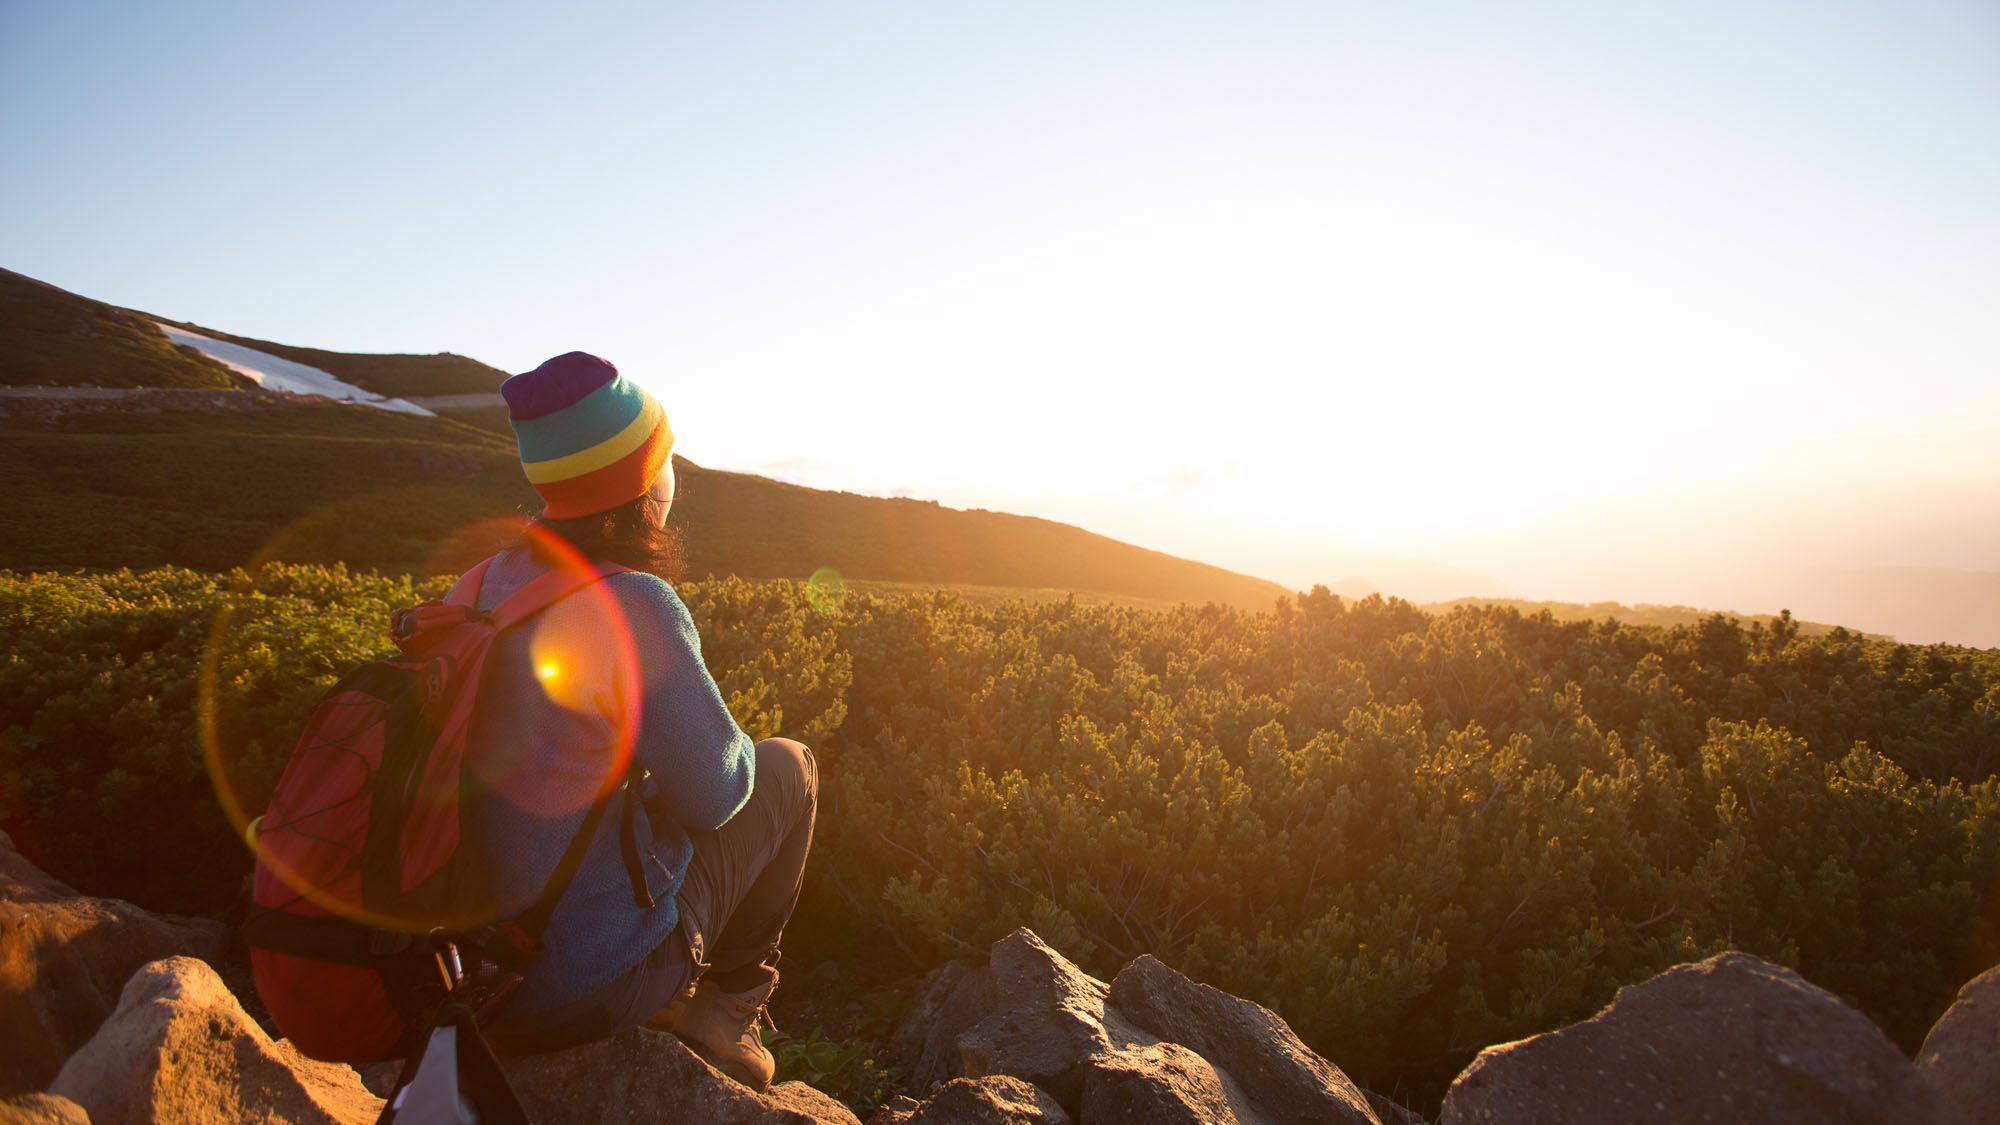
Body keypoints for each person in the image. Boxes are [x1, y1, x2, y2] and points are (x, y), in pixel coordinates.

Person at [457, 351, 816, 1089]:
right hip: (571, 986)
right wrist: (720, 742)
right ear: (642, 486)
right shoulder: (636, 604)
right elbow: (719, 795)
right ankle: (726, 1007)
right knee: (789, 766)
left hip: (463, 973)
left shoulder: (479, 584)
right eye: (664, 464)